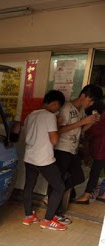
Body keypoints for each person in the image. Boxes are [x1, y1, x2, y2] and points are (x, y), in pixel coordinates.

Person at [47, 84, 103, 223]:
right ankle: (55, 212)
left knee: (78, 177)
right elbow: (58, 131)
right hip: (62, 149)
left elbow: (81, 131)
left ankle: (52, 196)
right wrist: (82, 122)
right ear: (83, 95)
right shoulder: (66, 108)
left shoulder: (81, 111)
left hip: (72, 149)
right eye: (90, 100)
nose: (90, 104)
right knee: (59, 181)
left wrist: (91, 122)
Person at [22, 90, 67, 231]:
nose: (57, 110)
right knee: (59, 187)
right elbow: (54, 140)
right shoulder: (49, 117)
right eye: (58, 107)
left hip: (29, 157)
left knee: (29, 186)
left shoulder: (31, 115)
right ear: (54, 104)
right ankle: (47, 220)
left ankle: (28, 216)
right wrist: (58, 125)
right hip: (44, 159)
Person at [73, 99, 105, 204]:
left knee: (95, 172)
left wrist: (87, 124)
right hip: (101, 149)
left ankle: (86, 195)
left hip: (101, 149)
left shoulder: (101, 118)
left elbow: (94, 131)